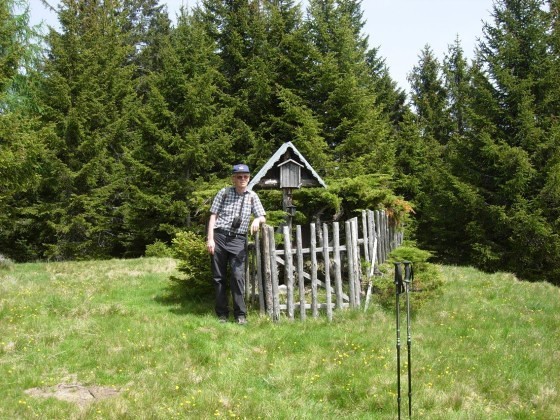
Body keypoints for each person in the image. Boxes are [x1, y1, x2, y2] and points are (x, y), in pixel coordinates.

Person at [207, 164, 266, 324]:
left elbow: (262, 216)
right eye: (239, 176)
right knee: (219, 277)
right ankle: (222, 314)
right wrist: (210, 239)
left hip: (238, 240)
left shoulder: (252, 196)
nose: (242, 179)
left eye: (245, 176)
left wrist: (257, 219)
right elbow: (213, 216)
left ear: (249, 178)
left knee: (238, 276)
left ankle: (240, 315)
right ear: (233, 178)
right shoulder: (224, 193)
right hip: (219, 237)